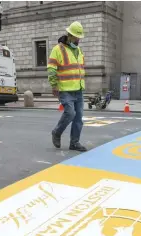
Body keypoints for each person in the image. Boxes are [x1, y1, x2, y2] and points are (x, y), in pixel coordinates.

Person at [47, 21, 87, 152]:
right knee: (70, 113)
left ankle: (74, 143)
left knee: (78, 118)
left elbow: (79, 69)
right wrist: (54, 85)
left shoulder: (79, 50)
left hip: (78, 89)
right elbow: (51, 69)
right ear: (69, 35)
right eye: (76, 37)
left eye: (79, 37)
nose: (78, 39)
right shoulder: (57, 49)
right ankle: (56, 133)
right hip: (65, 89)